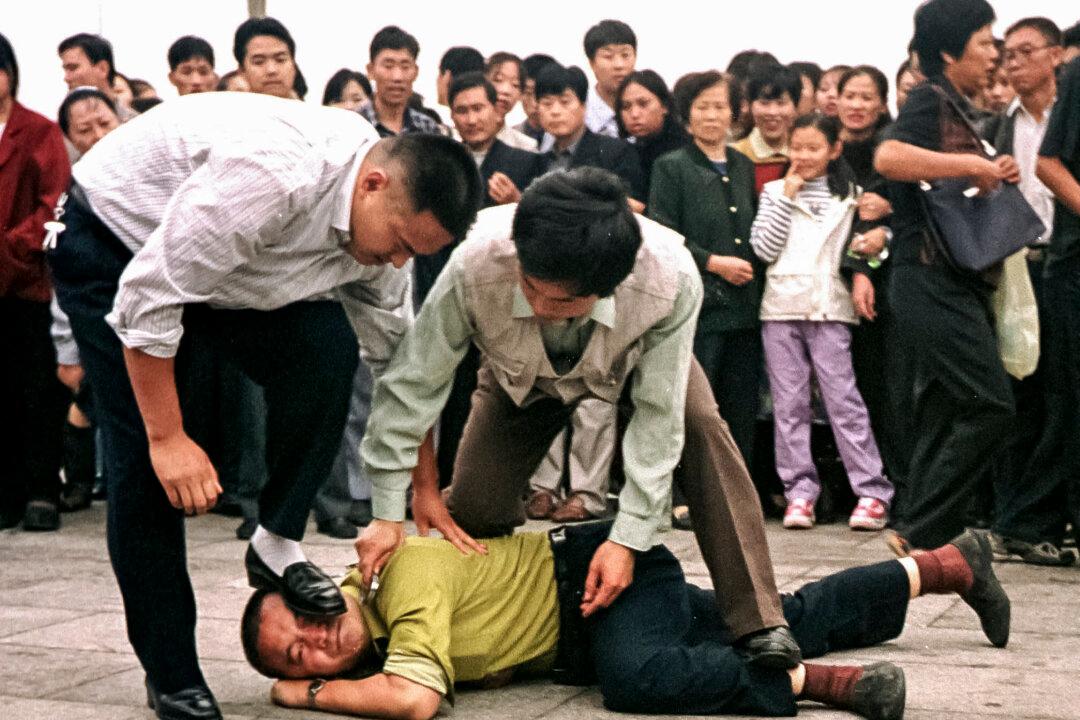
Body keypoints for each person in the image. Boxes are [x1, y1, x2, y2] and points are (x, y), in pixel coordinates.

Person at [46, 92, 482, 720]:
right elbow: (147, 302)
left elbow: (398, 371)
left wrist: (423, 489)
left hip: (224, 270)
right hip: (113, 241)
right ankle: (170, 673)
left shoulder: (383, 235)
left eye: (413, 254)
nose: (396, 262)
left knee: (328, 347)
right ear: (373, 184)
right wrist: (168, 438)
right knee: (145, 465)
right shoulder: (275, 175)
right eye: (398, 243)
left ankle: (275, 540)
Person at [355, 168, 801, 674]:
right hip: (518, 378)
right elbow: (412, 385)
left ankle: (760, 619)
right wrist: (390, 509)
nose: (543, 308)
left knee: (698, 422)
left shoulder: (669, 276)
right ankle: (517, 605)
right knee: (475, 506)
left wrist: (628, 538)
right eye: (531, 288)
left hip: (631, 367)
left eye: (564, 300)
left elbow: (658, 418)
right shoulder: (474, 262)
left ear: (611, 283)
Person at [243, 523, 1010, 720]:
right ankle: (947, 564)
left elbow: (415, 702)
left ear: (314, 588)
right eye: (297, 663)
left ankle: (825, 686)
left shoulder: (401, 579)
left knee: (637, 678)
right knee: (780, 620)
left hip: (602, 575)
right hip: (589, 614)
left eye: (301, 627)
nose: (314, 648)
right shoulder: (372, 643)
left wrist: (299, 699)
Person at [874, 0, 1019, 553]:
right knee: (990, 404)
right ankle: (921, 531)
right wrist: (974, 166)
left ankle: (917, 529)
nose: (993, 53)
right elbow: (888, 159)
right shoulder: (927, 97)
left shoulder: (956, 107)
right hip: (928, 278)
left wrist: (989, 172)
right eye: (985, 42)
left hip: (951, 280)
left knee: (946, 406)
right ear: (949, 51)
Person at [751, 114, 894, 531]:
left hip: (831, 308)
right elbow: (763, 247)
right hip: (781, 308)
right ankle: (799, 492)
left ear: (834, 150)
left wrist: (875, 241)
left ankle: (871, 492)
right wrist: (784, 197)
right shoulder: (775, 190)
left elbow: (873, 247)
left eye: (814, 148)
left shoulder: (853, 197)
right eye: (797, 147)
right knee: (789, 404)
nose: (804, 156)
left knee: (843, 400)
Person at [648, 70, 762, 529]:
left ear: (734, 112)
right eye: (703, 106)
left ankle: (734, 495)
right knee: (692, 407)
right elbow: (661, 231)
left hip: (745, 308)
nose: (712, 115)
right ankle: (683, 495)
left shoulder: (743, 165)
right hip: (698, 305)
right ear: (686, 114)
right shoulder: (671, 166)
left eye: (720, 106)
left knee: (740, 406)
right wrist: (712, 262)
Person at [980, 18, 1072, 565]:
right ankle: (1016, 518)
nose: (1012, 63)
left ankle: (1032, 517)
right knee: (1018, 394)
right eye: (1005, 55)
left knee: (1061, 395)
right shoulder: (995, 128)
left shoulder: (1071, 117)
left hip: (1064, 263)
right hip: (1017, 271)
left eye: (1025, 52)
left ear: (1057, 56)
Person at [0, 32, 71, 532]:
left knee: (34, 389)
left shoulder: (39, 130)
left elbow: (54, 202)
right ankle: (6, 493)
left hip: (26, 284)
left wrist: (12, 249)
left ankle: (42, 490)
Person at [835, 65, 908, 516]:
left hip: (888, 285)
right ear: (836, 100)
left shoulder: (891, 149)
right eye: (850, 95)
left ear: (882, 104)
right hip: (830, 286)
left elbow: (908, 210)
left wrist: (891, 211)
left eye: (867, 97)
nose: (858, 105)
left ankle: (892, 488)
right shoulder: (826, 150)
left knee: (886, 389)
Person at [536, 63, 646, 203]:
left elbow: (635, 205)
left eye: (565, 102)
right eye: (547, 104)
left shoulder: (616, 153)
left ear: (584, 106)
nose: (555, 111)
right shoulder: (537, 161)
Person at [615, 69, 690, 195]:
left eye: (643, 104)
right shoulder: (624, 151)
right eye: (626, 107)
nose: (634, 114)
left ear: (664, 106)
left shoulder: (685, 151)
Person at [730, 63, 800, 194]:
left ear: (795, 107)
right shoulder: (733, 155)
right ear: (749, 106)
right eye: (764, 103)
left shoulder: (806, 155)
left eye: (781, 103)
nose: (773, 112)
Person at [360, 26, 441, 137]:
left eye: (405, 66)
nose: (397, 77)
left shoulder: (427, 128)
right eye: (388, 66)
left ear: (416, 72)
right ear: (370, 70)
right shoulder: (355, 124)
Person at [583, 19, 637, 137]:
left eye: (625, 55)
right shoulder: (580, 113)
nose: (619, 65)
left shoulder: (646, 109)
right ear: (592, 63)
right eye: (608, 56)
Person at [233, 17, 300, 100]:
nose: (271, 70)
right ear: (242, 71)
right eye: (259, 62)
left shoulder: (313, 112)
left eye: (280, 59)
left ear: (294, 65)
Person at [485, 51, 538, 151]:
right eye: (498, 80)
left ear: (521, 94)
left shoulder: (526, 148)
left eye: (515, 85)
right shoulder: (456, 138)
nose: (506, 90)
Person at [515, 53, 556, 144]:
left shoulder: (569, 139)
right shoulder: (507, 140)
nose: (535, 103)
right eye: (528, 93)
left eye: (542, 94)